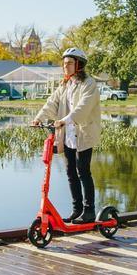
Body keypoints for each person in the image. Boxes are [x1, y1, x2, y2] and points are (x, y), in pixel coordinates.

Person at [32, 48, 101, 223]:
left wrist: (65, 119)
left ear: (79, 64)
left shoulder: (89, 84)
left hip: (82, 132)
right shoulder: (65, 84)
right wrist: (39, 118)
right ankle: (77, 210)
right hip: (67, 133)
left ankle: (89, 211)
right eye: (64, 64)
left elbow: (83, 107)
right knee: (71, 172)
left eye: (69, 63)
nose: (65, 66)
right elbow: (51, 102)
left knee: (83, 171)